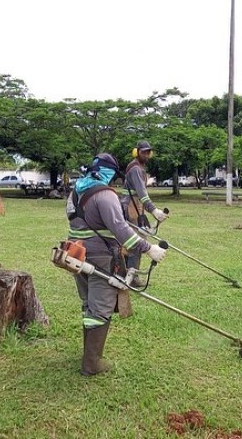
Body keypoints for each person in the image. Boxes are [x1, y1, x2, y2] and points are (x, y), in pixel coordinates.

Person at [66, 153, 167, 376]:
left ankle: (88, 353)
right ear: (110, 173)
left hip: (76, 254)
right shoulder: (104, 195)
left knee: (88, 304)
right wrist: (149, 248)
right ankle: (92, 364)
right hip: (101, 256)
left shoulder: (76, 190)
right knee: (101, 308)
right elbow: (121, 230)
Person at [120, 141, 168, 287]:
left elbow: (140, 192)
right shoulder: (135, 168)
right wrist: (154, 210)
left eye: (148, 152)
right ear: (137, 152)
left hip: (135, 206)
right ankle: (132, 277)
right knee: (136, 241)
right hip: (130, 206)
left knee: (134, 240)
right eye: (143, 152)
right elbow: (141, 194)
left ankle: (125, 273)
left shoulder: (139, 168)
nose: (146, 155)